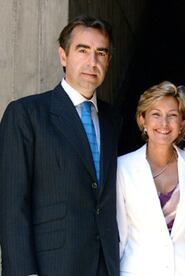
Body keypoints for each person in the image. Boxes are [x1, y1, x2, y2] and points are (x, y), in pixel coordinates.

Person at [0, 15, 121, 275]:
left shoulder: (115, 120)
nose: (93, 62)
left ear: (108, 61)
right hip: (52, 266)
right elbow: (11, 204)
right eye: (83, 50)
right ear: (63, 56)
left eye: (101, 53)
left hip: (107, 265)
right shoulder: (26, 114)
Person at [116, 81, 185, 276]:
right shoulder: (122, 168)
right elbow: (120, 235)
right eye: (156, 114)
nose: (164, 124)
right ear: (143, 120)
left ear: (182, 122)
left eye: (172, 116)